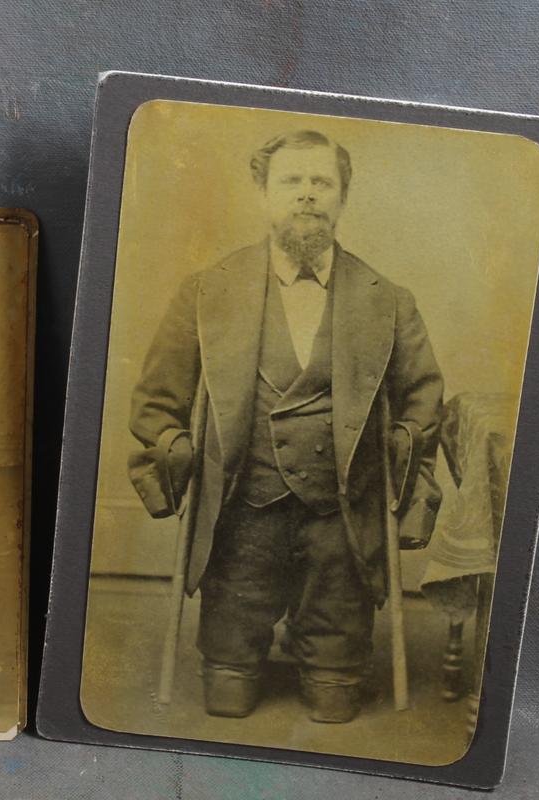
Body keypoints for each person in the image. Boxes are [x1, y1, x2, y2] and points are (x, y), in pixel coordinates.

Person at [127, 130, 443, 723]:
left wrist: (403, 451)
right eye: (291, 182)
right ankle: (233, 655)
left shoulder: (388, 300)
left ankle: (329, 656)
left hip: (342, 514)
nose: (306, 196)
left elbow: (423, 397)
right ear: (264, 194)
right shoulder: (207, 290)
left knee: (334, 700)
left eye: (321, 183)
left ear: (342, 197)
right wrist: (172, 450)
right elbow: (156, 400)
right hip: (243, 508)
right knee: (227, 696)